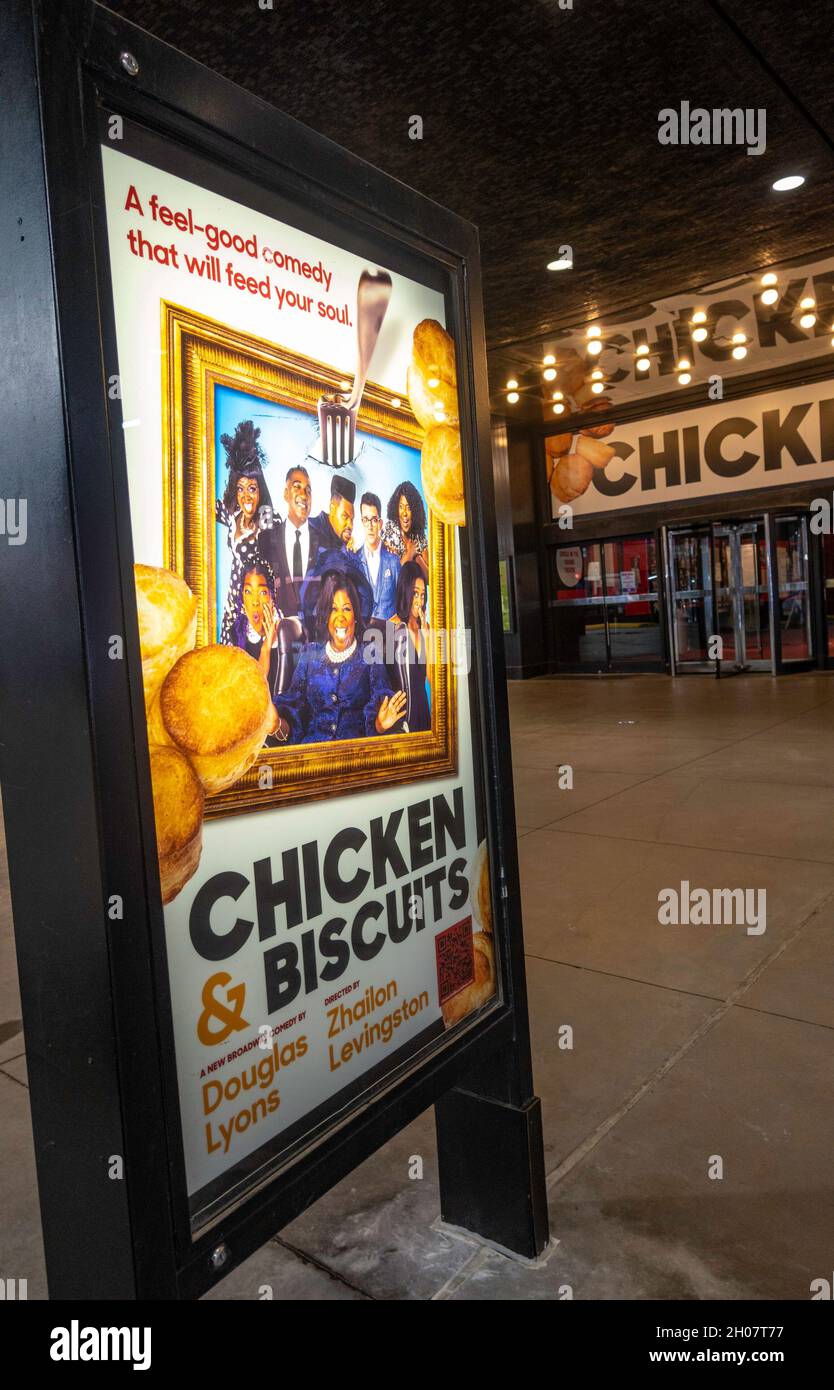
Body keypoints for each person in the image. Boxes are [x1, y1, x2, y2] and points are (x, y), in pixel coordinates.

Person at [273, 566, 406, 744]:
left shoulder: (370, 654)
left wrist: (380, 725)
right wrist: (275, 724)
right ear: (326, 616)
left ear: (356, 616)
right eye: (334, 609)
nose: (340, 618)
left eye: (347, 609)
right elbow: (294, 712)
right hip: (313, 757)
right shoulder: (308, 654)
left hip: (355, 758)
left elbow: (381, 702)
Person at [215, 420, 274, 644]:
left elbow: (276, 553)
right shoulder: (233, 515)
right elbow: (205, 503)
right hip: (233, 600)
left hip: (255, 599)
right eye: (240, 488)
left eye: (252, 489)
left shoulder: (267, 518)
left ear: (260, 490)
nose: (246, 496)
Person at [258, 464, 323, 619]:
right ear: (286, 494)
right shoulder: (265, 541)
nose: (304, 495)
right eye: (297, 487)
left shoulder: (324, 543)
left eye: (308, 490)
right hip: (277, 637)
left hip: (315, 639)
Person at [388, 560, 431, 732]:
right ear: (405, 592)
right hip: (402, 719)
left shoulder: (426, 628)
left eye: (422, 595)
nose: (419, 601)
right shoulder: (391, 627)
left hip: (424, 712)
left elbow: (431, 679)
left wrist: (427, 638)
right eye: (415, 594)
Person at [358, 491, 400, 620]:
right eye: (366, 520)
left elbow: (403, 603)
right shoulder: (354, 561)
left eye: (374, 520)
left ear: (380, 523)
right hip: (362, 637)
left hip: (390, 637)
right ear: (362, 522)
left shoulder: (393, 561)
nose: (370, 526)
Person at [382, 480, 428, 576]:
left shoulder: (419, 535)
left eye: (409, 507)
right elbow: (394, 575)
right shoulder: (390, 530)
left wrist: (416, 557)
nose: (404, 513)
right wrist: (410, 553)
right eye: (401, 507)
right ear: (396, 508)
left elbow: (429, 577)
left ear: (415, 511)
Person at [312, 475, 356, 552]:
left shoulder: (342, 541)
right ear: (332, 509)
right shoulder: (310, 530)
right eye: (345, 517)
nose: (351, 525)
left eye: (352, 519)